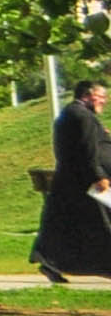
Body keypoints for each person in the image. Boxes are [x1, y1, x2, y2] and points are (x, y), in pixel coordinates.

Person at [34, 77, 111, 284]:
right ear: (87, 95)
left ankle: (51, 263)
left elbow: (87, 143)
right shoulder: (82, 117)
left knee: (72, 226)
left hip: (74, 181)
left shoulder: (71, 114)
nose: (104, 101)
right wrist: (99, 176)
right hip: (89, 183)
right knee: (104, 224)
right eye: (101, 96)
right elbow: (87, 151)